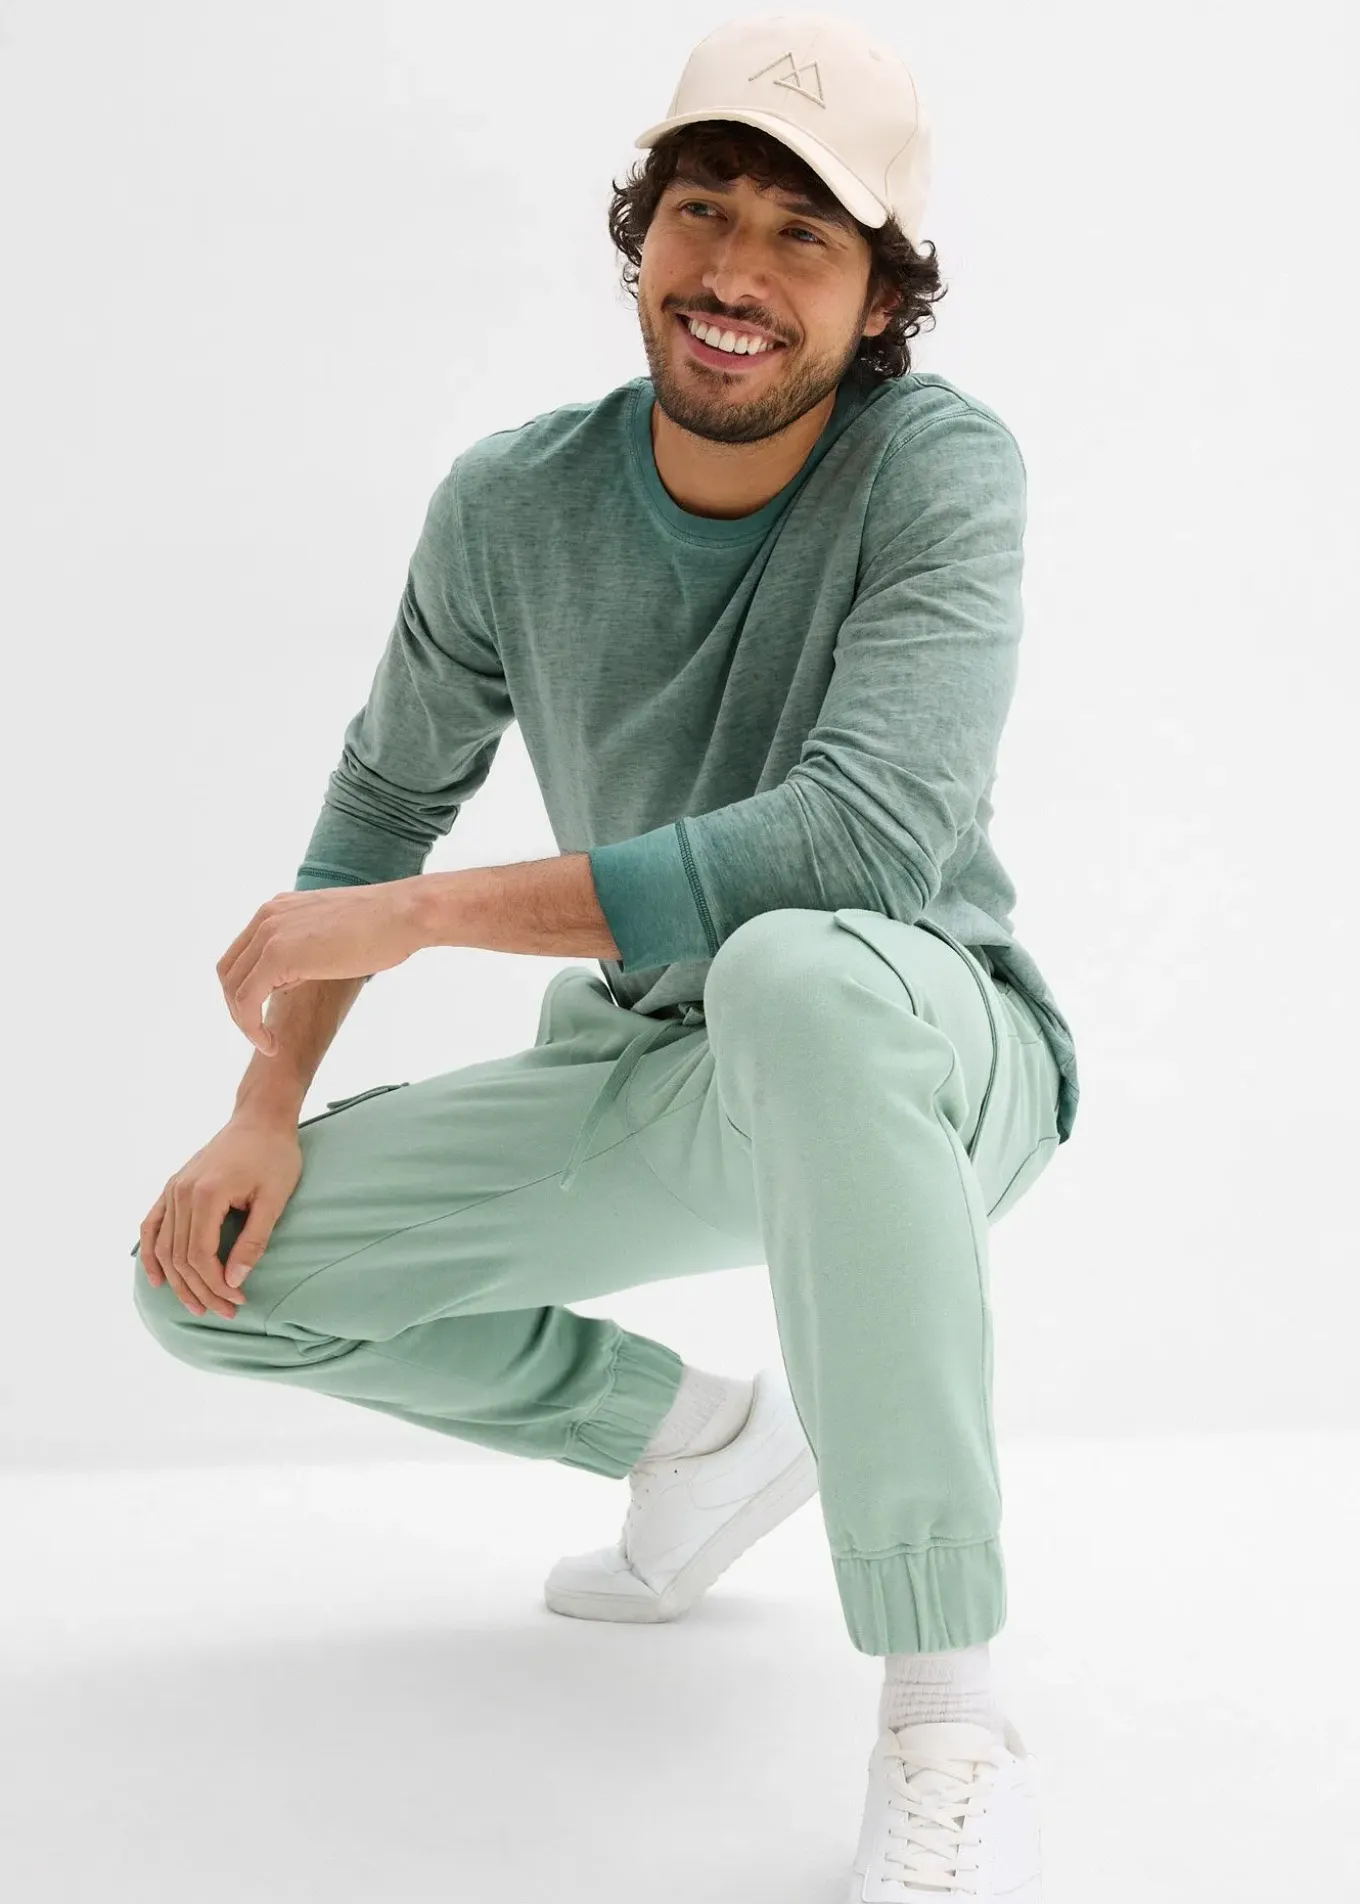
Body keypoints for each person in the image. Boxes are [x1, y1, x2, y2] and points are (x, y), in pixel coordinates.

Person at [131, 14, 1078, 1897]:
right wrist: (265, 1100)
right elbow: (383, 795)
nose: (735, 274)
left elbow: (853, 842)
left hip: (924, 1047)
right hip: (660, 1060)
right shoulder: (512, 503)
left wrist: (422, 917)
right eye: (703, 210)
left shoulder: (940, 469)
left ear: (883, 296)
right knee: (215, 1281)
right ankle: (698, 1442)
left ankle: (947, 1713)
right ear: (643, 233)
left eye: (803, 236)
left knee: (798, 970)